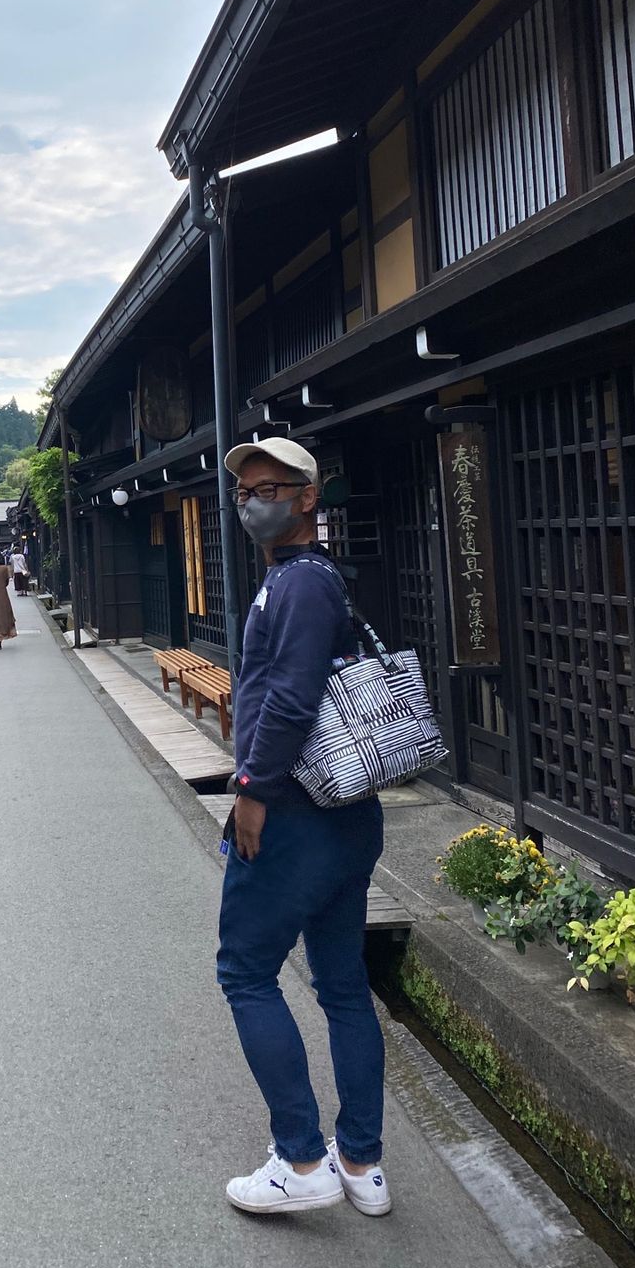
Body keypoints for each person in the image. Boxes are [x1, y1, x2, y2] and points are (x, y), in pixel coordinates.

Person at [216, 435, 390, 1219]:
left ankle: (301, 1159)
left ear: (308, 498)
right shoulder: (300, 579)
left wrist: (252, 788)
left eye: (270, 488)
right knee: (343, 984)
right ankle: (361, 1162)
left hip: (292, 815)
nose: (253, 502)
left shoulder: (302, 583)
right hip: (343, 816)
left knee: (246, 973)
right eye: (244, 491)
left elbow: (290, 697)